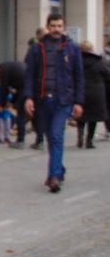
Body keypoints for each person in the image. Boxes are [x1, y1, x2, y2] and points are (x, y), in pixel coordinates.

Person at [24, 13, 84, 193]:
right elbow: (30, 75)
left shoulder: (72, 49)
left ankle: (54, 177)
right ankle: (59, 168)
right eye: (53, 26)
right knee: (51, 137)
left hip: (63, 100)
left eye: (59, 26)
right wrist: (28, 97)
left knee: (57, 135)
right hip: (43, 99)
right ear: (48, 27)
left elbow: (79, 77)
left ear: (64, 27)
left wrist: (79, 102)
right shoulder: (37, 48)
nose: (56, 29)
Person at [77, 41, 108, 150]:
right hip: (96, 92)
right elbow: (107, 75)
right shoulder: (99, 62)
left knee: (80, 115)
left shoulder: (77, 62)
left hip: (81, 91)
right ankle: (89, 141)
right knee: (93, 118)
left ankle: (80, 136)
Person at [0, 60, 27, 149]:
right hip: (29, 86)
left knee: (21, 114)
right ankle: (40, 140)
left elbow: (3, 89)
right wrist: (12, 102)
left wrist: (1, 105)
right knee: (34, 115)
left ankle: (20, 141)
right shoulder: (10, 67)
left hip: (25, 88)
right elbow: (17, 89)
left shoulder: (3, 70)